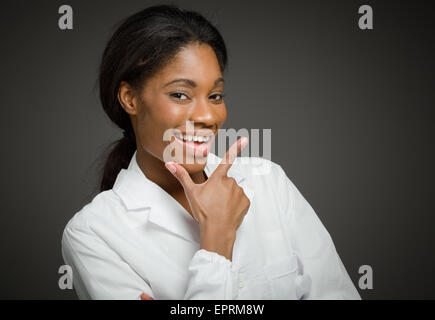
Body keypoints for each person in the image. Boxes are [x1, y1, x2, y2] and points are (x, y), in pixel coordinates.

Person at [61, 4, 361, 300]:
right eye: (180, 94)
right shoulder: (94, 232)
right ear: (130, 99)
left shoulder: (267, 182)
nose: (207, 116)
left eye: (215, 95)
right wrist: (217, 240)